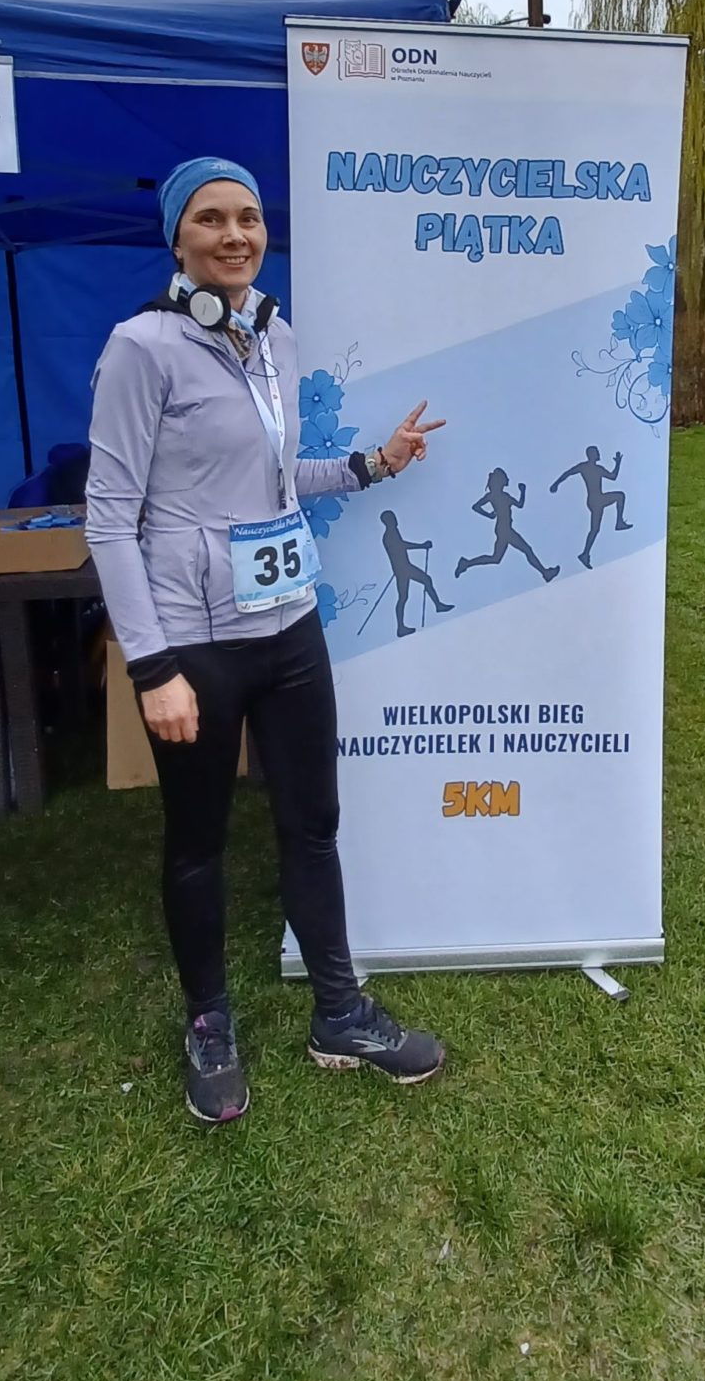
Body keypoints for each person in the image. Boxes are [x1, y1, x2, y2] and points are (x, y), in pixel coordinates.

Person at [86, 155, 446, 1124]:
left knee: (312, 823)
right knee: (198, 841)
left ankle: (340, 1013)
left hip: (288, 625)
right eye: (211, 218)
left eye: (247, 217)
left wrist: (371, 464)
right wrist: (152, 666)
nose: (235, 234)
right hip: (194, 643)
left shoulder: (274, 338)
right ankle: (209, 1023)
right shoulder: (141, 348)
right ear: (177, 239)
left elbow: (277, 479)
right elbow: (109, 518)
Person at [454, 468, 559, 584]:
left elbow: (519, 504)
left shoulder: (504, 496)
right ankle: (545, 572)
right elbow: (476, 506)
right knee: (527, 550)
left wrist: (523, 491)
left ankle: (466, 563)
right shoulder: (493, 496)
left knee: (496, 558)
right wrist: (489, 515)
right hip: (504, 529)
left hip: (504, 529)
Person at [549, 444, 631, 567]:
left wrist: (618, 463)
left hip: (598, 499)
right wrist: (556, 484)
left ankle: (585, 554)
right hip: (595, 500)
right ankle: (619, 523)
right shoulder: (584, 467)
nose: (599, 454)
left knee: (595, 529)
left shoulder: (599, 469)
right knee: (620, 496)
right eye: (596, 452)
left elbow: (613, 477)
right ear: (591, 455)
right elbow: (568, 473)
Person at [379, 509, 453, 637]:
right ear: (387, 521)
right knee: (405, 596)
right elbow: (402, 545)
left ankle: (437, 606)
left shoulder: (393, 532)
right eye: (392, 518)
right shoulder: (389, 534)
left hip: (404, 567)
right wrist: (422, 546)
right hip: (402, 569)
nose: (395, 520)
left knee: (421, 584)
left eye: (394, 517)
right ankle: (401, 627)